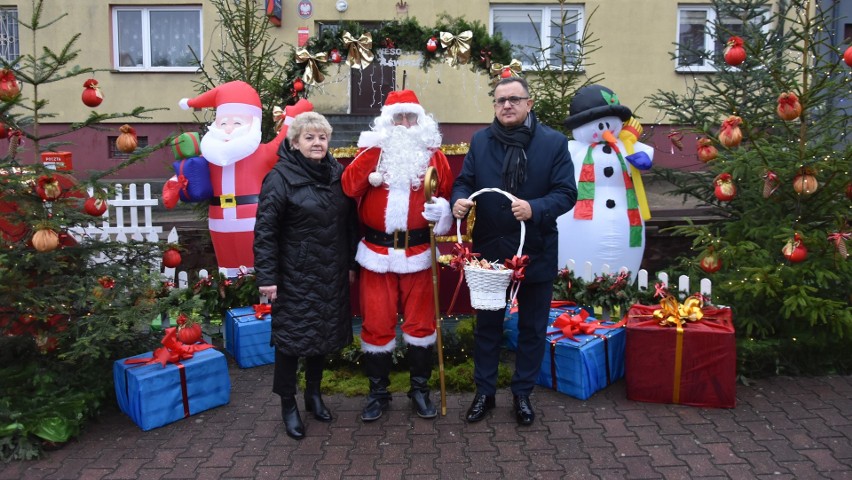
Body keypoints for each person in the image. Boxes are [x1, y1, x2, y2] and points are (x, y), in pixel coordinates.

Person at [451, 77, 577, 426]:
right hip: (489, 252)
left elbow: (567, 193)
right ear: (494, 106)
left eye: (514, 99)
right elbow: (465, 181)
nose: (506, 105)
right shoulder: (481, 140)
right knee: (487, 326)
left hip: (534, 248)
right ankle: (485, 393)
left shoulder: (552, 143)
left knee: (532, 327)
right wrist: (458, 200)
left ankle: (522, 394)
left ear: (529, 103)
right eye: (500, 100)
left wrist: (534, 208)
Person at [341, 90, 454, 422]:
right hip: (376, 253)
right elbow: (349, 187)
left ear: (421, 121)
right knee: (376, 324)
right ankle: (378, 393)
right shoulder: (372, 153)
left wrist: (441, 211)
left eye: (411, 118)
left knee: (421, 325)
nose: (405, 124)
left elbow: (445, 193)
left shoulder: (435, 156)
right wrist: (376, 150)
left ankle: (420, 390)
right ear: (387, 122)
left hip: (419, 252)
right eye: (398, 118)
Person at [253, 112, 359, 440]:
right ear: (295, 142)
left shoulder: (337, 174)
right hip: (294, 276)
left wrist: (352, 263)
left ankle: (314, 394)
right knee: (290, 341)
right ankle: (288, 403)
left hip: (331, 271)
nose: (317, 143)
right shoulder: (279, 178)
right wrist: (267, 277)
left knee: (321, 336)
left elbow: (349, 223)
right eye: (309, 138)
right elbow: (265, 232)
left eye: (322, 137)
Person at [178, 81, 313, 277]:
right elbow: (189, 176)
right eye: (223, 123)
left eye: (237, 123)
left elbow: (283, 141)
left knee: (256, 271)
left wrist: (293, 116)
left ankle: (260, 305)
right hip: (218, 220)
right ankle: (229, 300)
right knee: (226, 272)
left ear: (253, 124)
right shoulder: (210, 156)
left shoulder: (261, 153)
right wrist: (176, 185)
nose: (229, 129)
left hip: (252, 219)